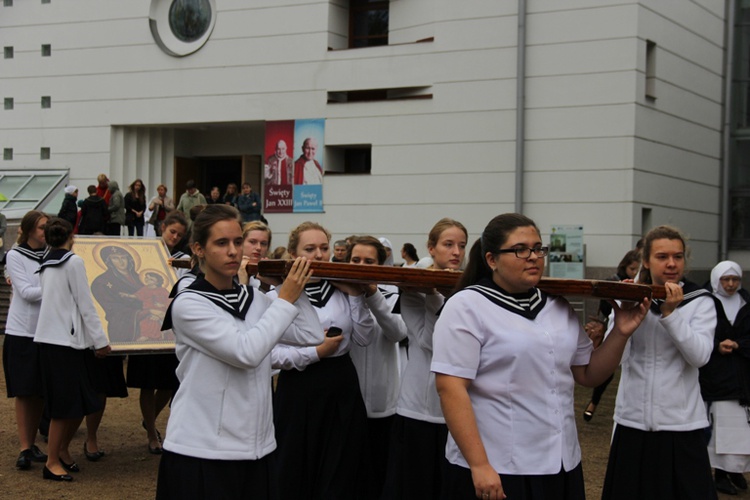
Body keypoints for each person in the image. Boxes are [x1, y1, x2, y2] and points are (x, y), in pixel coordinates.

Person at [431, 213, 648, 500]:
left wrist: (620, 332)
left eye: (538, 248)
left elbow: (589, 374)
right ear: (492, 260)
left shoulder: (557, 306)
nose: (533, 257)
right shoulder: (467, 306)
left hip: (559, 462)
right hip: (500, 464)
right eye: (520, 249)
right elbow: (451, 387)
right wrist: (480, 464)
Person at [155, 204, 321, 499]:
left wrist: (289, 284)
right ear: (199, 249)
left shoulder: (254, 297)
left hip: (257, 449)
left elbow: (310, 334)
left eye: (236, 241)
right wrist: (284, 300)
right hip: (203, 450)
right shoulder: (189, 304)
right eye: (221, 243)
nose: (233, 251)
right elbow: (246, 352)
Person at [601, 225, 718, 500]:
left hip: (681, 427)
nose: (671, 264)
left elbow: (700, 356)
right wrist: (623, 322)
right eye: (662, 256)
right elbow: (615, 359)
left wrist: (671, 315)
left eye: (678, 257)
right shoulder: (629, 298)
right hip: (633, 424)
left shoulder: (699, 301)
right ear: (645, 261)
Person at [271, 221, 375, 499]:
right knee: (296, 463)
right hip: (299, 389)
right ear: (293, 254)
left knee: (340, 465)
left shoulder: (343, 289)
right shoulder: (277, 294)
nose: (319, 254)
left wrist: (355, 295)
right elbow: (271, 355)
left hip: (341, 385)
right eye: (309, 248)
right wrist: (315, 352)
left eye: (324, 248)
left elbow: (364, 338)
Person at [381, 217, 467, 499]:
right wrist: (433, 294)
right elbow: (431, 342)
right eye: (448, 244)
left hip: (457, 408)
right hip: (418, 405)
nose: (456, 252)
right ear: (431, 248)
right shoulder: (414, 288)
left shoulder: (468, 291)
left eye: (462, 246)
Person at [34, 217, 111, 482]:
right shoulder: (73, 261)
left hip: (52, 340)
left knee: (75, 402)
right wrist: (100, 340)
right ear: (72, 236)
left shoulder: (45, 263)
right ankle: (51, 461)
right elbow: (85, 304)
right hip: (64, 343)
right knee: (64, 405)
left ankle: (63, 452)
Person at [347, 236, 408, 499]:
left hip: (385, 403)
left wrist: (373, 294)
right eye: (355, 260)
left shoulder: (392, 294)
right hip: (347, 401)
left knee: (381, 474)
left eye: (369, 261)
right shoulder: (338, 293)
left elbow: (397, 333)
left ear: (381, 264)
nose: (361, 266)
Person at [127, 211, 188, 455]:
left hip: (169, 329)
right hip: (146, 327)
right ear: (162, 227)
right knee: (146, 384)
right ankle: (152, 432)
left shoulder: (183, 259)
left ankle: (150, 419)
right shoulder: (146, 251)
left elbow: (183, 288)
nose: (174, 237)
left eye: (179, 235)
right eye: (172, 231)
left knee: (168, 382)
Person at [700, 261, 750, 495]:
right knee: (720, 429)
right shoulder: (705, 302)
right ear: (716, 280)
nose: (730, 285)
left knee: (741, 428)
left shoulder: (746, 303)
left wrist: (740, 344)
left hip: (741, 377)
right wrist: (717, 345)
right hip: (716, 377)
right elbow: (698, 334)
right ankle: (720, 473)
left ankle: (734, 470)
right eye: (725, 280)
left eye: (735, 280)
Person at [4, 211, 49, 471]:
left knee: (40, 390)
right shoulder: (15, 255)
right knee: (24, 391)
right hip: (22, 331)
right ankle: (24, 447)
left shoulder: (52, 254)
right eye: (42, 227)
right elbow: (27, 293)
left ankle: (32, 442)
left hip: (46, 330)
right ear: (29, 229)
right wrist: (56, 285)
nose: (45, 231)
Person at [582, 249, 641, 422]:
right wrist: (622, 303)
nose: (635, 274)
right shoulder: (613, 282)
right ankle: (594, 402)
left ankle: (595, 402)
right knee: (607, 369)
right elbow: (606, 308)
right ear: (625, 267)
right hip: (613, 327)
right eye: (632, 269)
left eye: (638, 270)